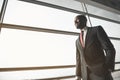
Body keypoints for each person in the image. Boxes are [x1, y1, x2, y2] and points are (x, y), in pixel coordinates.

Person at [75, 15, 116, 80]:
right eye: (74, 21)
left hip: (101, 73)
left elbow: (109, 48)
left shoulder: (96, 30)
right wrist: (78, 75)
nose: (75, 22)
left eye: (77, 20)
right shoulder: (77, 41)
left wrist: (108, 67)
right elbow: (78, 59)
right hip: (86, 75)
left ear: (85, 20)